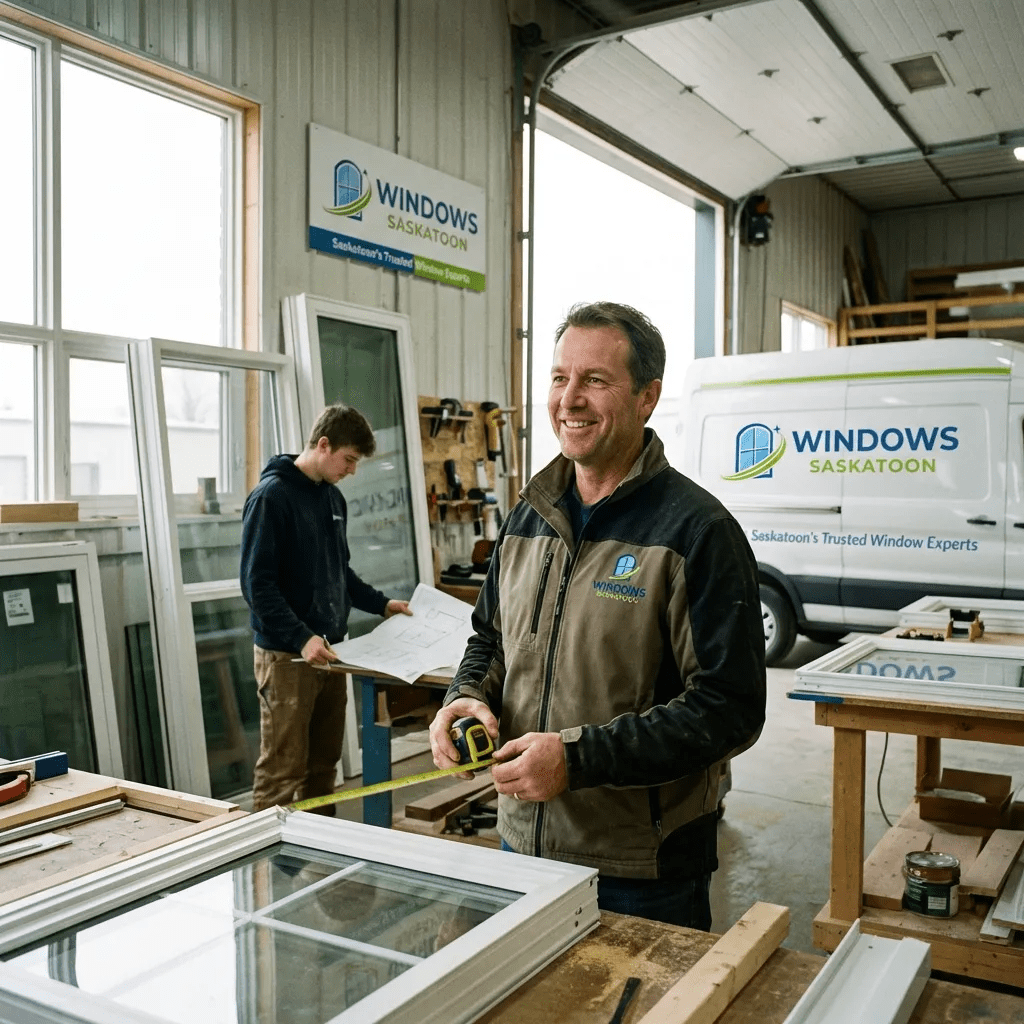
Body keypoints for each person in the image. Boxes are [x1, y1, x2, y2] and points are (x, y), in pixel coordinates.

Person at [429, 301, 765, 928]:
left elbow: (731, 707)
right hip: (522, 844)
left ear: (647, 397)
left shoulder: (698, 532)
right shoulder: (530, 515)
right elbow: (490, 638)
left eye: (595, 380)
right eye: (560, 378)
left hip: (642, 868)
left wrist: (577, 760)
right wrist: (465, 695)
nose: (569, 399)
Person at [241, 403, 411, 813]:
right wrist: (301, 639)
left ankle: (318, 862)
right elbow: (256, 585)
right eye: (349, 459)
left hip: (332, 655)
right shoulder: (271, 498)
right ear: (323, 444)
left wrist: (382, 603)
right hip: (288, 659)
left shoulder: (333, 499)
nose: (352, 470)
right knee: (283, 770)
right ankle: (270, 873)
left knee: (323, 768)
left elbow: (341, 572)